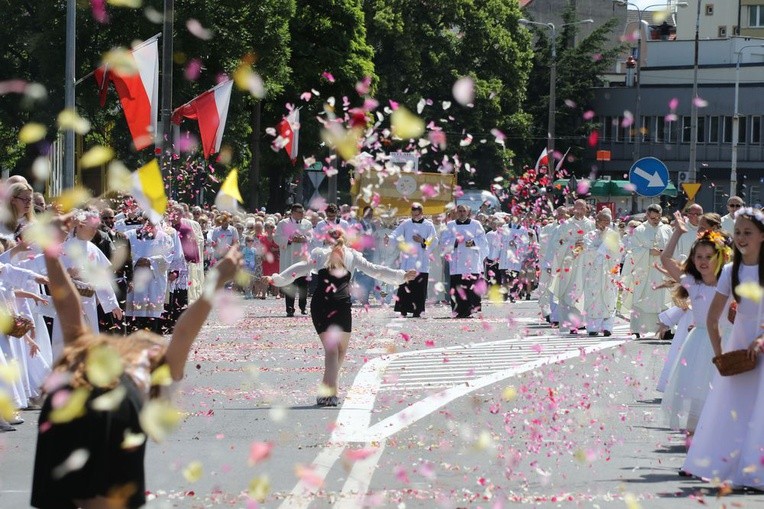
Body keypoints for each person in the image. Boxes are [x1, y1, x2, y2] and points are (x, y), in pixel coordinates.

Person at [31, 242, 241, 509]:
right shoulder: (153, 364)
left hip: (68, 396)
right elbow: (184, 331)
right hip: (117, 403)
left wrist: (51, 255)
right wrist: (218, 278)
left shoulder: (87, 350)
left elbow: (67, 306)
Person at [269, 229, 416, 406]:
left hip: (321, 303)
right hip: (341, 303)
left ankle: (327, 390)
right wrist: (401, 276)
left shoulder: (320, 254)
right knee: (339, 351)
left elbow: (298, 269)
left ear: (326, 240)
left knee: (332, 350)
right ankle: (329, 392)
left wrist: (275, 279)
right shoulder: (351, 255)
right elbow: (376, 271)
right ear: (345, 240)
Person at [682, 207, 764, 487]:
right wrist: (720, 356)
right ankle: (732, 467)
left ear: (762, 237)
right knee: (736, 408)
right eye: (738, 232)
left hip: (761, 342)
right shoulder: (731, 271)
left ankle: (757, 473)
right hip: (740, 344)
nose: (741, 237)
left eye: (748, 233)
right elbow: (712, 317)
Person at [659, 212, 731, 432]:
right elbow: (665, 259)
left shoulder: (730, 283)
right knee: (696, 392)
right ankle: (692, 439)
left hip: (725, 340)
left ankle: (715, 436)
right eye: (698, 257)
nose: (702, 261)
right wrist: (677, 233)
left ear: (721, 258)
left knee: (720, 393)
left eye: (708, 257)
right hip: (699, 341)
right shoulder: (692, 282)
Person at [621, 204, 672, 337]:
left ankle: (665, 330)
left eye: (658, 217)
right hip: (644, 271)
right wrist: (648, 252)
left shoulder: (667, 229)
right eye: (653, 217)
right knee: (642, 299)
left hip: (662, 270)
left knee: (663, 300)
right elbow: (632, 251)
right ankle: (638, 328)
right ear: (647, 216)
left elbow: (673, 247)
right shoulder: (639, 230)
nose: (655, 220)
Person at [550, 200, 595, 333]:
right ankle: (569, 323)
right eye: (577, 208)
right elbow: (556, 244)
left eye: (582, 208)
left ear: (586, 209)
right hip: (569, 263)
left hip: (585, 263)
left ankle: (583, 321)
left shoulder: (591, 225)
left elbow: (597, 243)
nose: (579, 211)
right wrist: (571, 245)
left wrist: (585, 245)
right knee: (568, 291)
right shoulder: (565, 225)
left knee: (584, 291)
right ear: (572, 210)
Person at [440, 204, 489, 318]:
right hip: (456, 264)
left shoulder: (476, 224)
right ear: (456, 212)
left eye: (464, 211)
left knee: (470, 288)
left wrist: (471, 242)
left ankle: (470, 310)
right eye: (460, 211)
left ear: (468, 212)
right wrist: (455, 241)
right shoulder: (451, 225)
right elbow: (444, 241)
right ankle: (458, 310)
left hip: (471, 261)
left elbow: (483, 241)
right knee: (458, 288)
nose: (462, 213)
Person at [390, 203, 437, 317]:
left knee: (419, 288)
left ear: (421, 213)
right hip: (408, 259)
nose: (415, 217)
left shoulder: (429, 225)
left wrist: (423, 241)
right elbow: (396, 233)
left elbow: (434, 241)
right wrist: (389, 238)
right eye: (413, 214)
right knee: (406, 285)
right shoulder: (406, 223)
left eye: (417, 215)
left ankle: (417, 310)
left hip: (422, 260)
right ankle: (403, 309)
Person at [583, 210, 622, 336]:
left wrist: (607, 252)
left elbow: (618, 252)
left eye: (608, 221)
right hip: (593, 272)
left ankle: (607, 327)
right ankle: (593, 327)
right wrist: (601, 251)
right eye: (603, 221)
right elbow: (587, 251)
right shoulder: (589, 235)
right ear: (597, 221)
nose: (605, 224)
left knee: (609, 297)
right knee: (594, 297)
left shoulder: (613, 235)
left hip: (609, 271)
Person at [275, 204, 313, 316]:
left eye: (302, 212)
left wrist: (304, 239)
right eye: (299, 212)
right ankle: (289, 308)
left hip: (302, 258)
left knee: (303, 285)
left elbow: (312, 237)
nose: (302, 214)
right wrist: (290, 240)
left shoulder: (307, 223)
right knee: (289, 284)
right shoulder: (283, 223)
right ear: (293, 212)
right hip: (289, 258)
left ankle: (303, 307)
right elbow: (277, 237)